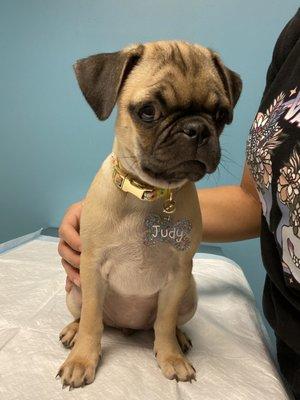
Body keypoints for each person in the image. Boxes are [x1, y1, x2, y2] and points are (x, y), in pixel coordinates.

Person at [58, 9, 300, 399]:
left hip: (171, 309)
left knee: (183, 286)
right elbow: (252, 200)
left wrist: (166, 336)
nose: (194, 133)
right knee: (80, 290)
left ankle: (164, 335)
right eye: (150, 113)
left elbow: (177, 272)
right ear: (111, 97)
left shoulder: (185, 200)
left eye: (216, 117)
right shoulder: (295, 39)